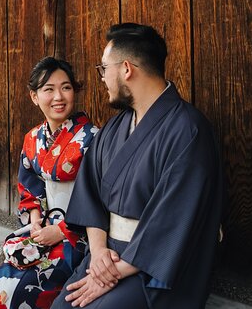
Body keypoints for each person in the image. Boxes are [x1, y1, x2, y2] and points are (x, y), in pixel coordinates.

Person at [51, 23, 223, 309]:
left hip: (155, 271)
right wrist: (98, 253)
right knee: (61, 306)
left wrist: (108, 274)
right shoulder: (115, 126)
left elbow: (174, 223)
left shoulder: (188, 131)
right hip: (107, 256)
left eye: (104, 68)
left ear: (126, 69)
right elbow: (90, 193)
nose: (102, 78)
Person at [0, 57, 98, 309]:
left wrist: (60, 231)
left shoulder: (93, 138)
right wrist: (35, 220)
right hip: (44, 231)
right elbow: (29, 189)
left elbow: (98, 198)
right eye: (49, 89)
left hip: (81, 236)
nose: (59, 96)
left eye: (66, 87)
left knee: (18, 291)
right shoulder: (32, 138)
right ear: (34, 96)